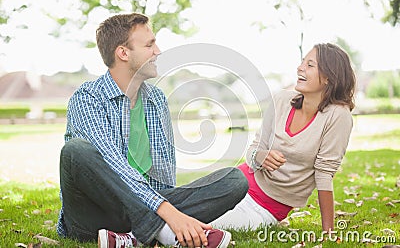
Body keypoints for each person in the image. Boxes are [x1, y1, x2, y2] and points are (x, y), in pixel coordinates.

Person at [57, 13, 248, 248]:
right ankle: (164, 233)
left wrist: (169, 208)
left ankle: (133, 238)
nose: (158, 51)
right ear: (123, 53)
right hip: (93, 216)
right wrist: (170, 213)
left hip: (143, 205)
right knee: (75, 151)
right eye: (149, 45)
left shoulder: (156, 99)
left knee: (233, 180)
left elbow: (163, 174)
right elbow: (113, 164)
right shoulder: (87, 98)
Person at [212, 43, 356, 233]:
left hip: (265, 208)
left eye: (310, 65)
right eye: (302, 62)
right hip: (238, 181)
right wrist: (260, 156)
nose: (300, 68)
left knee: (199, 225)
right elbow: (253, 150)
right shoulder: (281, 100)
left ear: (329, 77)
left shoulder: (338, 116)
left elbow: (324, 173)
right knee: (181, 209)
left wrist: (327, 231)